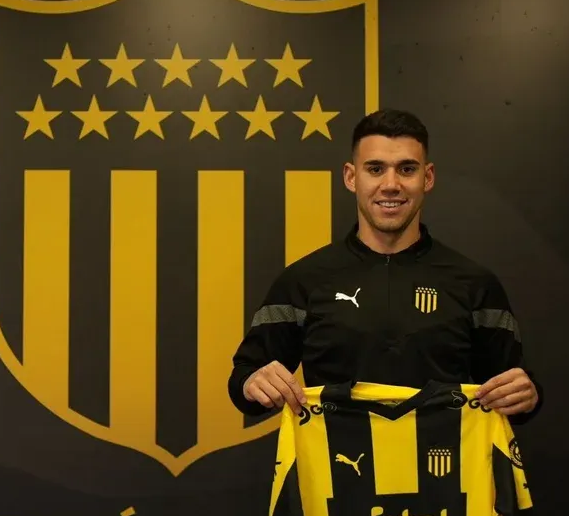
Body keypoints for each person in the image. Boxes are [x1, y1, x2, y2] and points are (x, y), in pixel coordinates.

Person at [227, 108, 542, 422]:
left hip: (444, 456)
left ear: (427, 177)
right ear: (351, 177)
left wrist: (528, 396)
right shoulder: (303, 280)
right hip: (335, 457)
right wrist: (252, 383)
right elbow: (245, 380)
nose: (391, 184)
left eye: (407, 169)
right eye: (375, 169)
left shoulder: (475, 284)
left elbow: (514, 394)